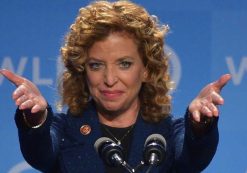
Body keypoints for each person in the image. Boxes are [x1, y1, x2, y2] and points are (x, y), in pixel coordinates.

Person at [0, 1, 231, 173]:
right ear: (83, 70)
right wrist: (36, 119)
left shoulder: (168, 134)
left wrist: (201, 126)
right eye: (96, 65)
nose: (110, 79)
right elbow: (39, 152)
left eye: (124, 64)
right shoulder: (64, 131)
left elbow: (193, 156)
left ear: (147, 69)